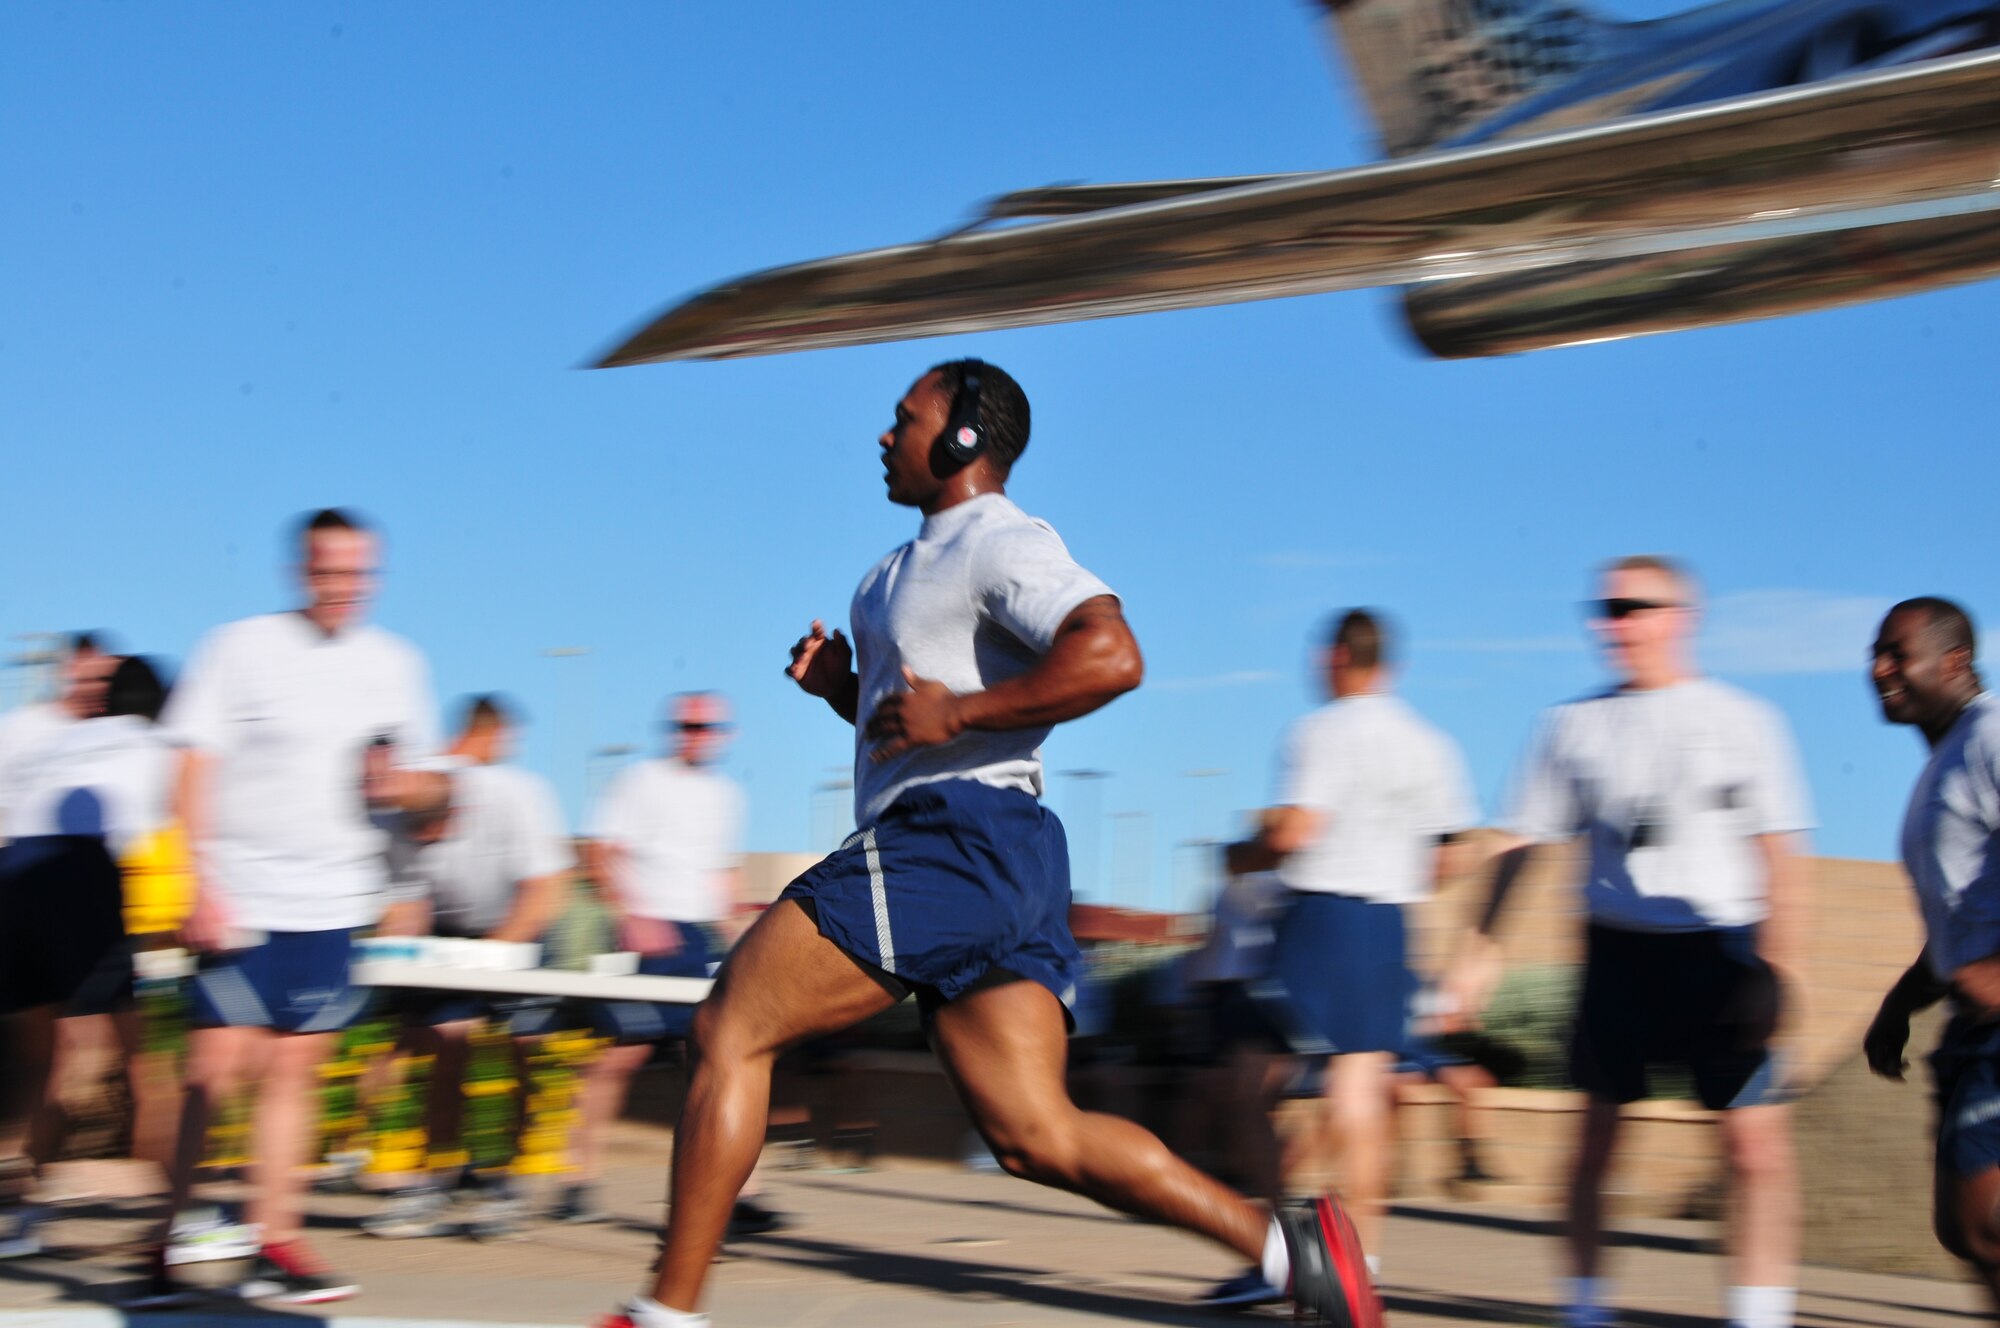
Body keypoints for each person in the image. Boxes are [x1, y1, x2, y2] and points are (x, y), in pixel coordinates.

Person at [593, 361, 1376, 1328]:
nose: (884, 436)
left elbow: (1111, 654)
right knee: (1036, 1135)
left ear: (964, 437)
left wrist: (960, 709)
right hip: (995, 859)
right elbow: (909, 728)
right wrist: (845, 686)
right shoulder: (887, 578)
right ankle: (1292, 1254)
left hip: (956, 838)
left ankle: (666, 1315)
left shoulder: (1002, 541)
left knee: (729, 1029)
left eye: (905, 419)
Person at [1450, 555, 1811, 1328]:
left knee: (1755, 1148)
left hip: (1722, 952)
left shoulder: (1746, 722)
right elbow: (1521, 845)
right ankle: (1585, 1308)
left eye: (1632, 607)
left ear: (1681, 617)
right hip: (1617, 952)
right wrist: (1477, 951)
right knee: (1594, 1144)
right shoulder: (1570, 726)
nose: (1613, 623)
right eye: (1604, 609)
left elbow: (1783, 857)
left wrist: (1777, 970)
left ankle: (1761, 1314)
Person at [139, 508, 446, 1307]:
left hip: (335, 897)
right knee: (213, 1067)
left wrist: (406, 811)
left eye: (358, 574)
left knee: (293, 1071)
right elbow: (192, 770)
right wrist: (194, 881)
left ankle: (274, 1238)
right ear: (300, 571)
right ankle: (166, 1246)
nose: (343, 588)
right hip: (239, 893)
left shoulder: (397, 664)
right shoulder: (237, 648)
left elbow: (425, 790)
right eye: (328, 572)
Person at [1209, 609, 1477, 1305]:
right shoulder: (1431, 744)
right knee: (1362, 1098)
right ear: (1391, 662)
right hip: (1388, 924)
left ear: (1333, 657)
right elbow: (1451, 858)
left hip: (1320, 919)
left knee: (1244, 1088)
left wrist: (1239, 855)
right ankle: (1365, 1264)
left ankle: (1280, 1256)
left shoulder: (1320, 731)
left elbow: (1297, 830)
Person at [364, 694, 573, 1241]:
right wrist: (395, 954)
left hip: (524, 918)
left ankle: (508, 1185)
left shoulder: (516, 796)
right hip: (453, 929)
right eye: (416, 837)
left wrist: (494, 955)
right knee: (441, 1039)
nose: (423, 845)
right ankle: (436, 1180)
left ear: (457, 812)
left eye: (433, 836)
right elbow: (404, 909)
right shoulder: (399, 815)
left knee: (522, 1047)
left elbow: (546, 891)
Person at [0, 656, 174, 1258]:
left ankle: (22, 1218)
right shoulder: (159, 745)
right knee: (140, 1064)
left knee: (42, 1061)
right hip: (77, 876)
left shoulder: (65, 738)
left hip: (12, 875)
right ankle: (181, 1218)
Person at [565, 691, 757, 1230]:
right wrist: (630, 915)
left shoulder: (727, 796)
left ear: (725, 734)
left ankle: (740, 1192)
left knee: (720, 1058)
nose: (694, 734)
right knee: (618, 1060)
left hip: (699, 938)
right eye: (686, 725)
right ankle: (576, 1180)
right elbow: (600, 853)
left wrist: (740, 929)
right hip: (647, 932)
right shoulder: (640, 781)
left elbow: (723, 870)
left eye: (705, 726)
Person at [1859, 597, 2000, 1315]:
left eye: (1895, 652)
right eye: (1874, 655)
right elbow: (1960, 928)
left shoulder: (1991, 738)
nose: (1878, 668)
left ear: (1954, 661)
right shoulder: (1941, 769)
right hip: (1972, 1029)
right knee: (1965, 1229)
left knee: (1985, 1222)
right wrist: (1900, 1005)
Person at [0, 632, 116, 840]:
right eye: (88, 678)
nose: (96, 687)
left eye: (104, 679)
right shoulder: (21, 726)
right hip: (27, 858)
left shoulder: (113, 736)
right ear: (70, 669)